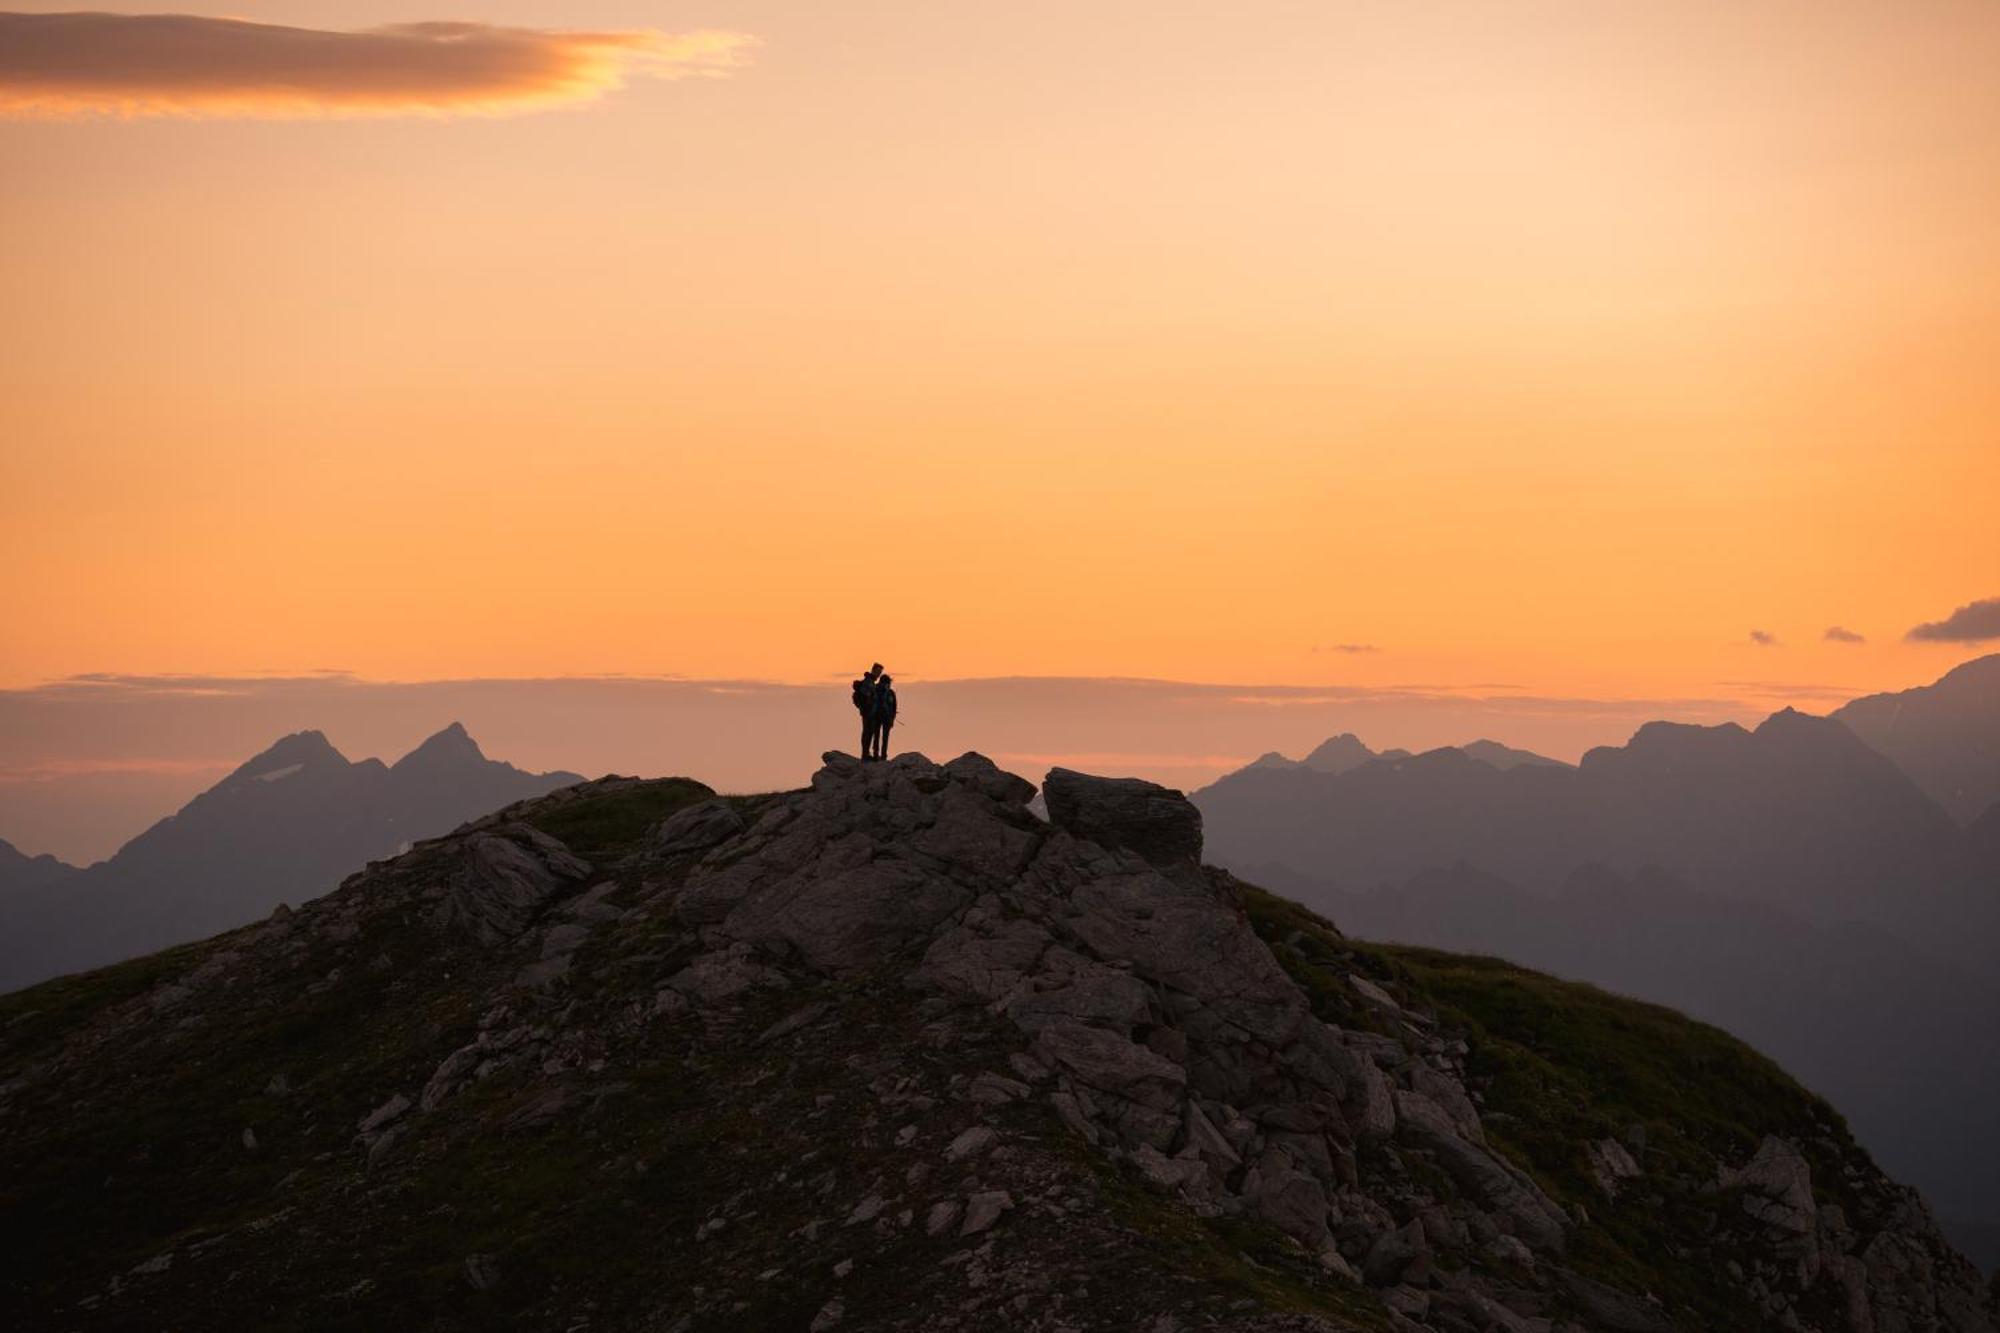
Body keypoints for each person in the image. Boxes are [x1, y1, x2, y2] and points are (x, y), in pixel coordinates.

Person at [852, 663, 882, 759]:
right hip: (868, 712)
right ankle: (865, 754)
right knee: (867, 733)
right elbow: (867, 698)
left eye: (880, 672)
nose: (879, 674)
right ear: (873, 670)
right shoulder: (868, 682)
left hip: (868, 712)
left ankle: (866, 754)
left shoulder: (871, 682)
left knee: (868, 733)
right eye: (878, 672)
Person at [871, 674, 898, 760]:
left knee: (878, 736)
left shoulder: (886, 692)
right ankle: (880, 755)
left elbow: (894, 707)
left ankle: (879, 755)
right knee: (881, 737)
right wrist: (892, 718)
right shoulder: (888, 692)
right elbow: (894, 707)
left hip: (880, 717)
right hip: (881, 717)